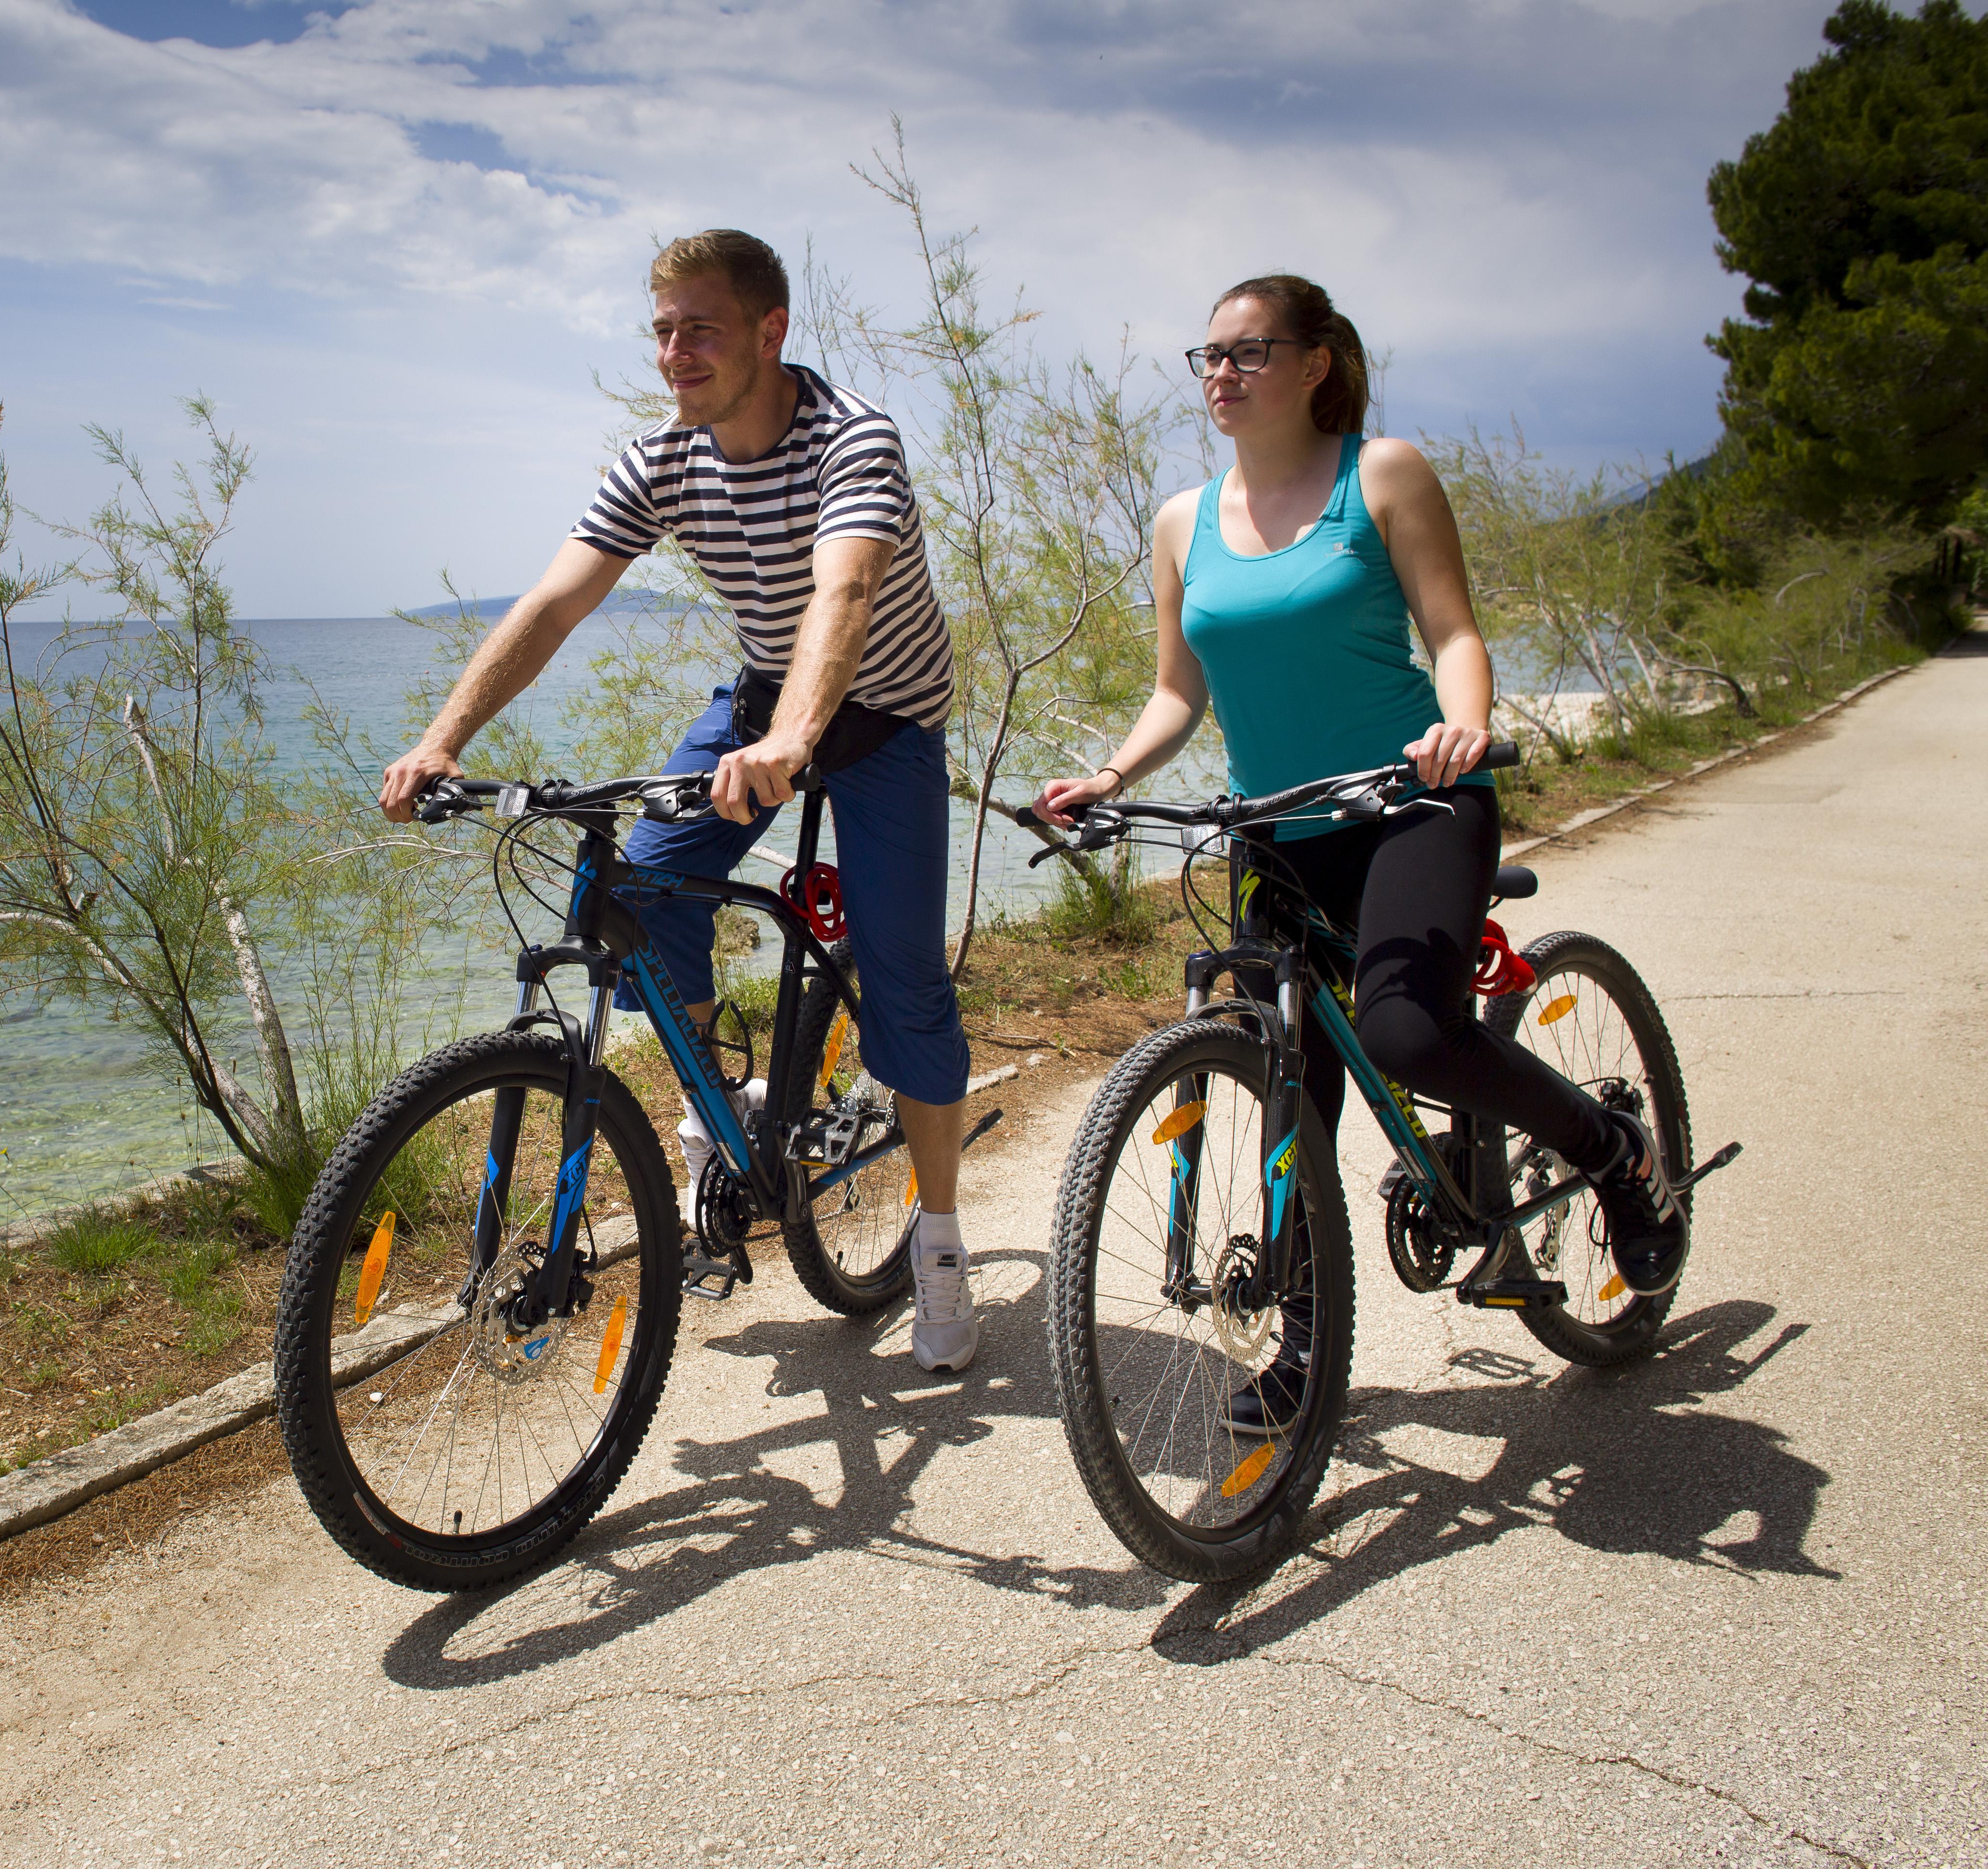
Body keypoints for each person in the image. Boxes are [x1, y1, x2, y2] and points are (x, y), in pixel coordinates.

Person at [1031, 273, 1688, 1431]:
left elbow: (1453, 632)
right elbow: (1177, 692)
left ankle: (1613, 1150)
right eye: (1209, 357)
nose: (1220, 375)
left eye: (1249, 351)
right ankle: (1303, 1350)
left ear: (1315, 362)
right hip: (1272, 828)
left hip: (1414, 803)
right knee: (1288, 1090)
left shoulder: (1379, 476)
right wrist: (1111, 777)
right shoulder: (1184, 520)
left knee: (1403, 1030)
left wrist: (1464, 722)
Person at [380, 229, 980, 1373]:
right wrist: (443, 742)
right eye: (660, 330)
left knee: (905, 978)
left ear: (770, 331)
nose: (674, 353)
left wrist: (800, 739)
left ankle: (940, 1243)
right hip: (767, 703)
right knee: (640, 890)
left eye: (698, 327)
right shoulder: (663, 458)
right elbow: (554, 604)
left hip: (884, 718)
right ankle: (720, 1111)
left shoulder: (852, 439)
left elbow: (844, 591)